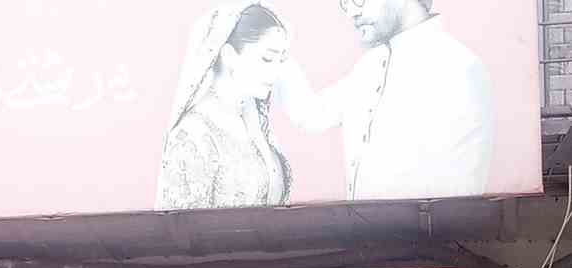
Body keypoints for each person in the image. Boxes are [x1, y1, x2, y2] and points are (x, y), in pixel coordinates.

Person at [277, 0, 493, 200]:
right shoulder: (371, 65)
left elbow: (454, 201)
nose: (351, 12)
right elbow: (312, 114)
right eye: (344, 2)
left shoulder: (460, 69)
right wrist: (274, 50)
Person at [156, 3, 292, 210]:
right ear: (228, 56)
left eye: (281, 61)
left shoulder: (255, 121)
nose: (276, 73)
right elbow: (182, 226)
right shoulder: (191, 134)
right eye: (267, 59)